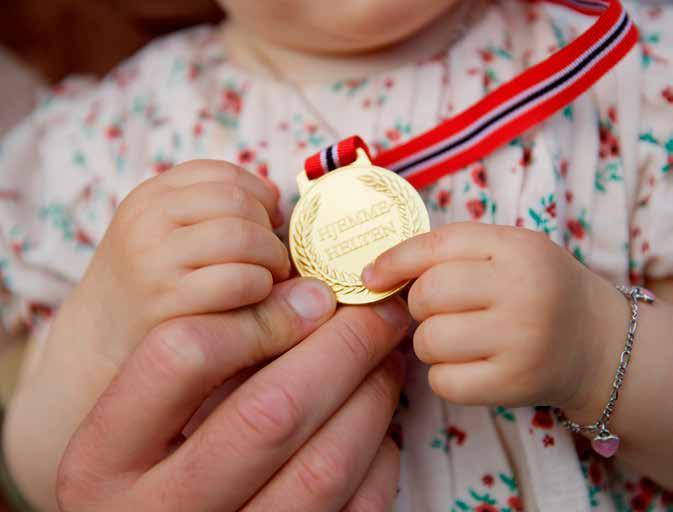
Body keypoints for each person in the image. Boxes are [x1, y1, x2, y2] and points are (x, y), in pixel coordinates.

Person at [1, 0, 672, 510]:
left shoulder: (632, 73)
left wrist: (597, 349)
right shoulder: (107, 139)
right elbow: (44, 472)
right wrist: (103, 328)